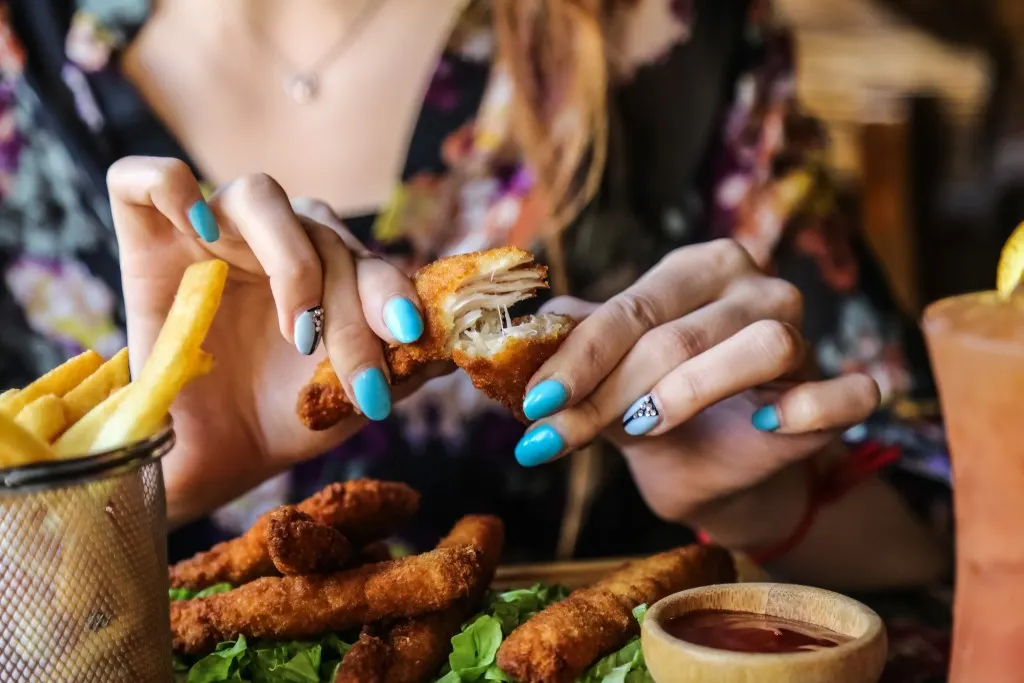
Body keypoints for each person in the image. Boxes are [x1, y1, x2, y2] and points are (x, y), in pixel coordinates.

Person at [2, 0, 952, 599]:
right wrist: (128, 488)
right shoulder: (19, 72)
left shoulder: (665, 42)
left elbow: (948, 545)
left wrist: (771, 501)